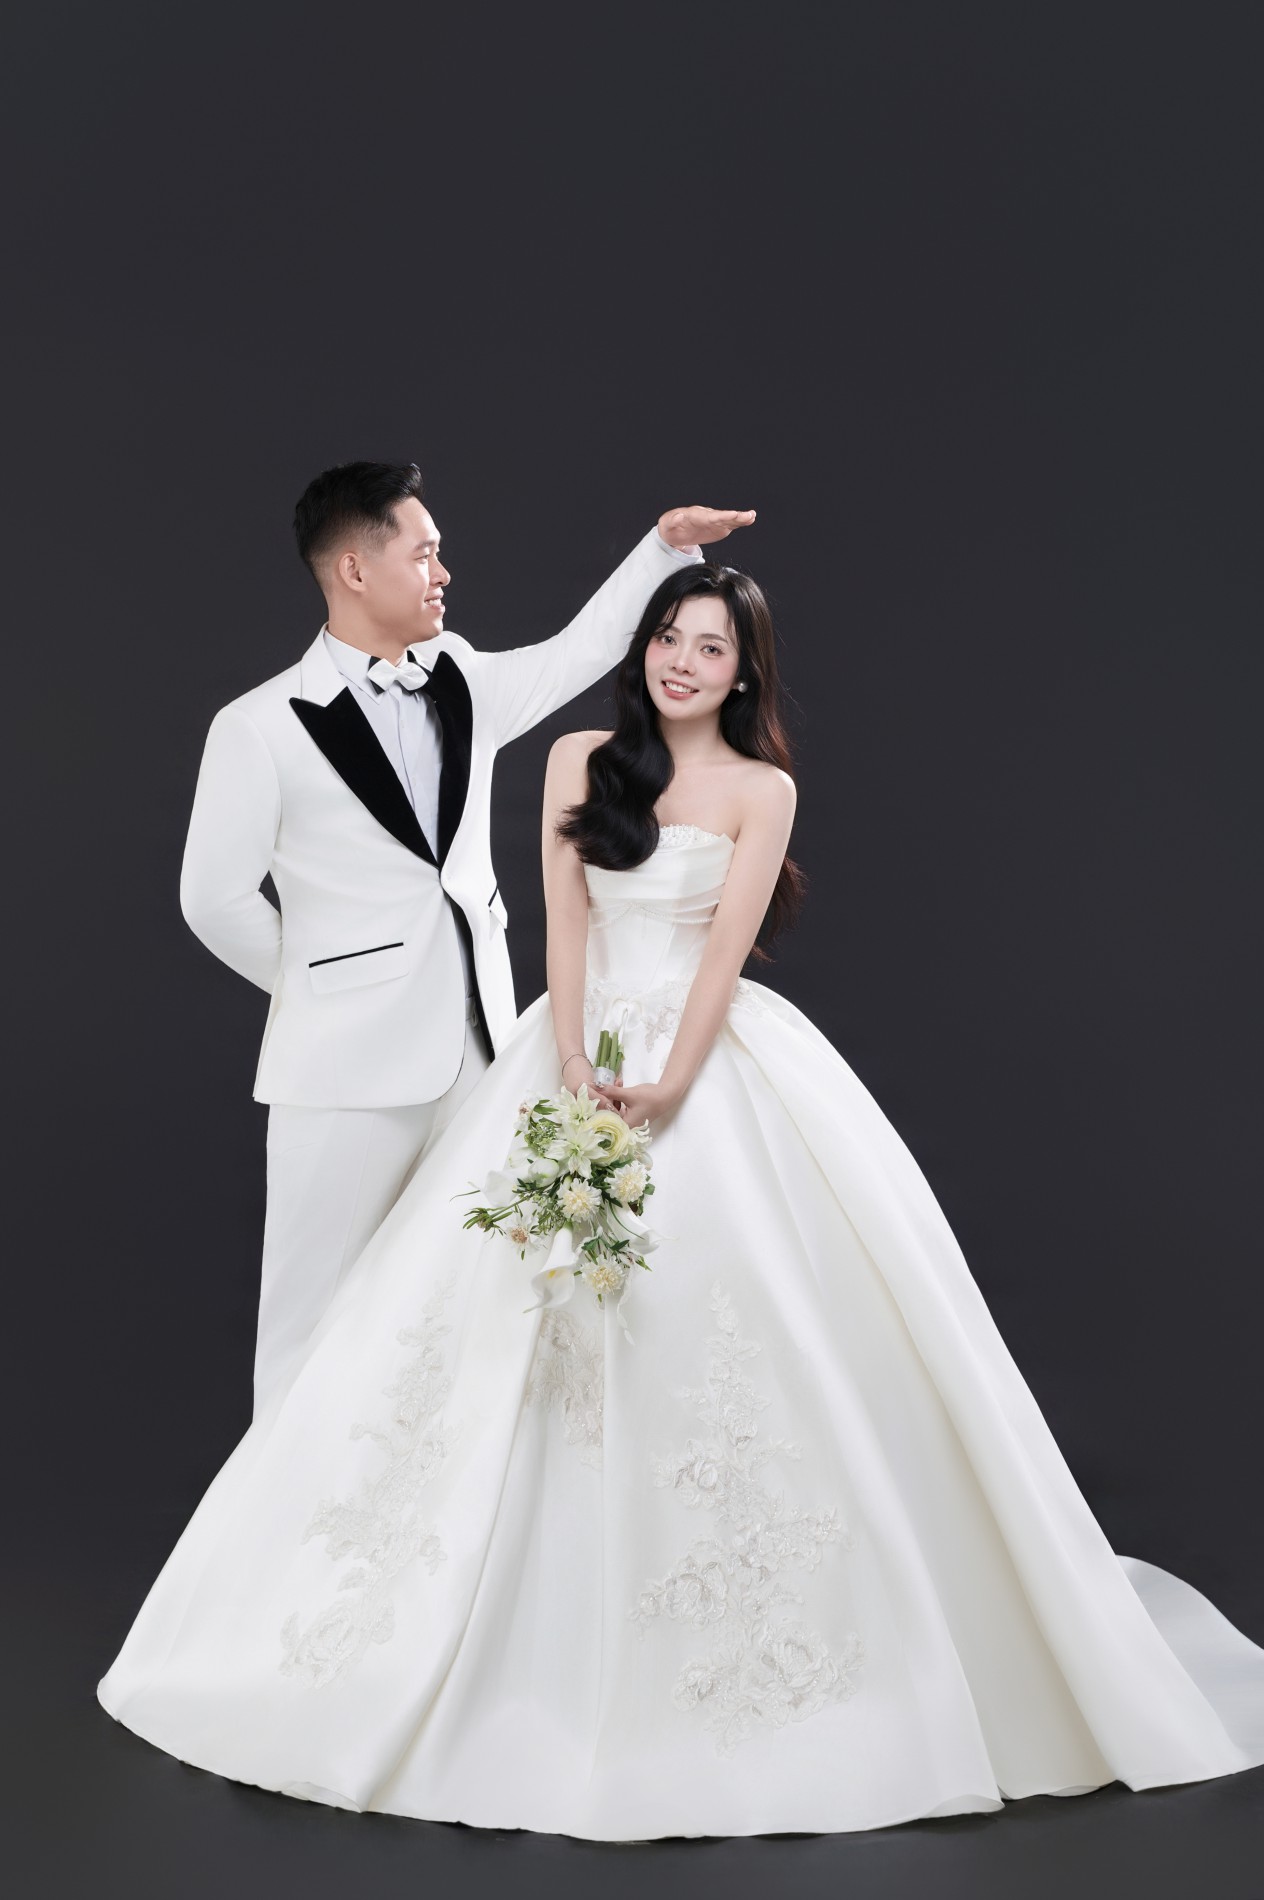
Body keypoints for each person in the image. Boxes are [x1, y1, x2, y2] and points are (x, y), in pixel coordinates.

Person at [100, 564, 1264, 1840]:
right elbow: (561, 928)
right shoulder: (579, 760)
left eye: (709, 646)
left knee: (737, 1312)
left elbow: (721, 954)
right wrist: (569, 1061)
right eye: (666, 636)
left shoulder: (764, 790)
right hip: (570, 1052)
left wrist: (666, 1083)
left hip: (702, 1063)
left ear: (743, 671)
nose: (680, 660)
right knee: (481, 1325)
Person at [177, 460, 753, 1415]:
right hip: (340, 1069)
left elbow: (575, 653)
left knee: (466, 1309)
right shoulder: (258, 727)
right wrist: (324, 988)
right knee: (308, 1325)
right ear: (355, 569)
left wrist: (665, 549)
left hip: (485, 1056)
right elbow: (212, 900)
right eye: (425, 553)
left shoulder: (461, 680)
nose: (444, 572)